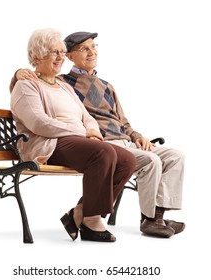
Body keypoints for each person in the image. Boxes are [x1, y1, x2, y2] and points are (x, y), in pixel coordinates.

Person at [10, 31, 186, 238]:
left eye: (94, 47)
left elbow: (112, 119)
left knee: (168, 156)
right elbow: (36, 115)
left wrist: (134, 136)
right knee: (133, 158)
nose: (91, 52)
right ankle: (137, 220)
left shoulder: (88, 87)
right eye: (83, 49)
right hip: (68, 142)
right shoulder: (61, 80)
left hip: (105, 140)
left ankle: (152, 216)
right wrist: (17, 73)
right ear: (69, 57)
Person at [10, 28, 136, 242]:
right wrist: (83, 132)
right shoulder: (26, 86)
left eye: (62, 51)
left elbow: (85, 115)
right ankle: (92, 220)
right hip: (48, 144)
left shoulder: (62, 85)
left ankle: (80, 213)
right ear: (38, 55)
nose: (61, 57)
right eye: (54, 52)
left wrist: (93, 130)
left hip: (76, 141)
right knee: (103, 153)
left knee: (127, 159)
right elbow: (39, 123)